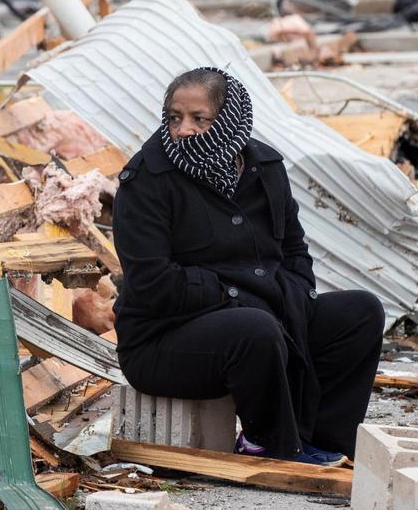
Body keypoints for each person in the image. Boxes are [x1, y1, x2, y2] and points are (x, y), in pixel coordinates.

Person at [112, 67, 384, 465]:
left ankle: (322, 441)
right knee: (254, 328)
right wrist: (233, 296)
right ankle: (268, 443)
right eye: (174, 117)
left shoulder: (265, 168)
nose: (182, 130)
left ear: (229, 120)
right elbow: (153, 283)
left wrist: (292, 296)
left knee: (361, 312)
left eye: (198, 119)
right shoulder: (146, 181)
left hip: (266, 316)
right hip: (164, 341)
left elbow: (294, 249)